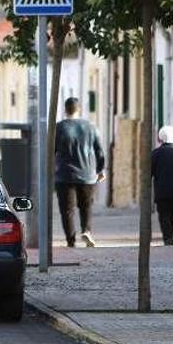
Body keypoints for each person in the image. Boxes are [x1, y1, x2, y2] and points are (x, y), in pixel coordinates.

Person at [55, 97, 105, 248]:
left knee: (67, 210)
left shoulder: (59, 127)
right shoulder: (90, 127)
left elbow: (52, 150)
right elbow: (99, 151)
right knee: (86, 206)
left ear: (65, 110)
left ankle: (71, 241)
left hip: (64, 175)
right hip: (87, 174)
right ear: (79, 109)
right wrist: (100, 170)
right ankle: (87, 231)